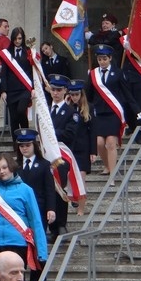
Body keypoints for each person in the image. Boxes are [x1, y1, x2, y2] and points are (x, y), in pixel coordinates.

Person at [0, 152, 48, 281]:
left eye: (4, 167)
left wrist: (42, 252)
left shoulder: (26, 190)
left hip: (17, 243)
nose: (1, 171)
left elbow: (36, 221)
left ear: (11, 167)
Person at [87, 44, 141, 176]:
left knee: (111, 142)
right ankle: (107, 166)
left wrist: (136, 109)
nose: (102, 62)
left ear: (110, 58)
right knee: (99, 143)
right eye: (99, 59)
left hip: (113, 113)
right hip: (99, 113)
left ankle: (113, 173)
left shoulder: (118, 73)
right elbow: (88, 94)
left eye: (104, 59)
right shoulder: (93, 74)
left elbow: (127, 93)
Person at [47, 74, 78, 234]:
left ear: (65, 90)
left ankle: (60, 224)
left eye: (59, 90)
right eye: (53, 89)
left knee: (60, 190)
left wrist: (51, 134)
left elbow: (70, 134)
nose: (56, 93)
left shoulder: (70, 112)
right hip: (46, 156)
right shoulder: (45, 110)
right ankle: (48, 223)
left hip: (61, 157)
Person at [15, 128, 58, 243]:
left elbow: (49, 189)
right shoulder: (15, 166)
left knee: (38, 239)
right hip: (21, 208)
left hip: (39, 207)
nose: (24, 148)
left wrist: (51, 208)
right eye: (21, 146)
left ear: (34, 145)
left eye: (28, 145)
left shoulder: (44, 164)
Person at [1, 27, 34, 130]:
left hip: (25, 89)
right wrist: (3, 90)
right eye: (15, 39)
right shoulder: (7, 53)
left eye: (19, 38)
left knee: (21, 111)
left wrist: (33, 88)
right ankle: (16, 145)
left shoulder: (29, 52)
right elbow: (4, 73)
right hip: (11, 90)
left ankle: (26, 134)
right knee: (14, 119)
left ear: (23, 38)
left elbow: (33, 72)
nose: (17, 41)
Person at [67, 79, 95, 196]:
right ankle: (72, 196)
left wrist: (93, 151)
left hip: (83, 147)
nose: (74, 97)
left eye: (77, 94)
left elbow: (93, 130)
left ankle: (81, 199)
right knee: (69, 174)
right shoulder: (67, 108)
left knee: (81, 175)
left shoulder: (89, 107)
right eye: (72, 95)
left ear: (81, 94)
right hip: (70, 147)